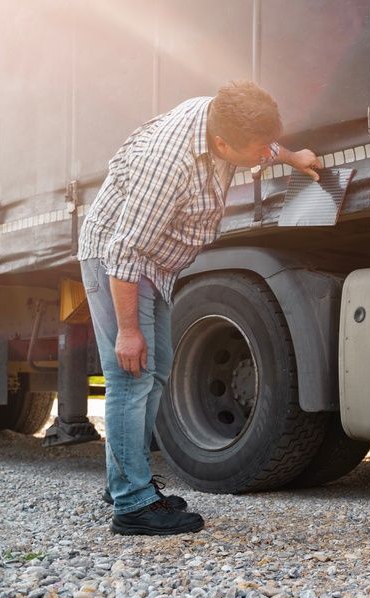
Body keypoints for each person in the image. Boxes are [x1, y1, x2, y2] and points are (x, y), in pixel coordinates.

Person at [78, 81, 322, 536]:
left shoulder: (225, 120)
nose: (258, 156)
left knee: (158, 371)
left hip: (154, 264)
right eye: (253, 150)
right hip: (119, 264)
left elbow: (259, 146)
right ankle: (133, 506)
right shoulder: (169, 164)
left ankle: (124, 483)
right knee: (132, 376)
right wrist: (128, 332)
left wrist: (290, 156)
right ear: (221, 143)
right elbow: (124, 252)